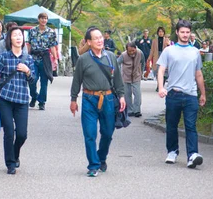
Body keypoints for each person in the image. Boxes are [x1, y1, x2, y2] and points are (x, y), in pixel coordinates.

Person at [70, 27, 126, 177]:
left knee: (107, 133)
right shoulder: (83, 59)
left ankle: (101, 157)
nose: (100, 40)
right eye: (96, 38)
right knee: (90, 133)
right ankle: (93, 165)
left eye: (101, 37)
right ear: (89, 42)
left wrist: (121, 96)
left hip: (107, 99)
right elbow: (77, 81)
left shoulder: (110, 57)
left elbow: (118, 80)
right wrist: (73, 99)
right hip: (89, 99)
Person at [0, 26, 35, 175]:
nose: (18, 37)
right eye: (15, 35)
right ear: (9, 39)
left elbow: (33, 80)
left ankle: (15, 153)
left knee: (22, 134)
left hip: (22, 100)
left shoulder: (28, 59)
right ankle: (10, 164)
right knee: (9, 132)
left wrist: (27, 71)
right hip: (5, 99)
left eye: (20, 35)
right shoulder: (4, 57)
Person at [157, 19, 206, 169]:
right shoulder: (169, 51)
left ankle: (192, 155)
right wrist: (161, 87)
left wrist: (202, 93)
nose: (185, 35)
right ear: (177, 32)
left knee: (191, 125)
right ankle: (172, 151)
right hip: (173, 94)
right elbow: (161, 70)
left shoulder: (195, 52)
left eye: (187, 32)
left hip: (190, 94)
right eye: (182, 32)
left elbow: (198, 74)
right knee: (171, 125)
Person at [28, 12, 58, 110]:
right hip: (33, 58)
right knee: (32, 80)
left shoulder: (51, 32)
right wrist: (26, 57)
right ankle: (34, 96)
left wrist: (55, 59)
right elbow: (28, 45)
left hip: (45, 58)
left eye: (45, 18)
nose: (44, 20)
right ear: (38, 19)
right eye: (42, 18)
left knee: (44, 82)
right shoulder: (32, 31)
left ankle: (42, 102)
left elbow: (53, 46)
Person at [117, 42, 145, 117]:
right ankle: (130, 110)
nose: (132, 52)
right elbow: (117, 64)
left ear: (135, 48)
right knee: (127, 94)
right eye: (129, 51)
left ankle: (137, 110)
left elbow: (143, 62)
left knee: (137, 94)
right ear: (126, 50)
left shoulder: (140, 53)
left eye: (133, 50)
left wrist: (141, 72)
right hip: (126, 77)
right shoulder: (123, 55)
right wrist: (119, 74)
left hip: (136, 76)